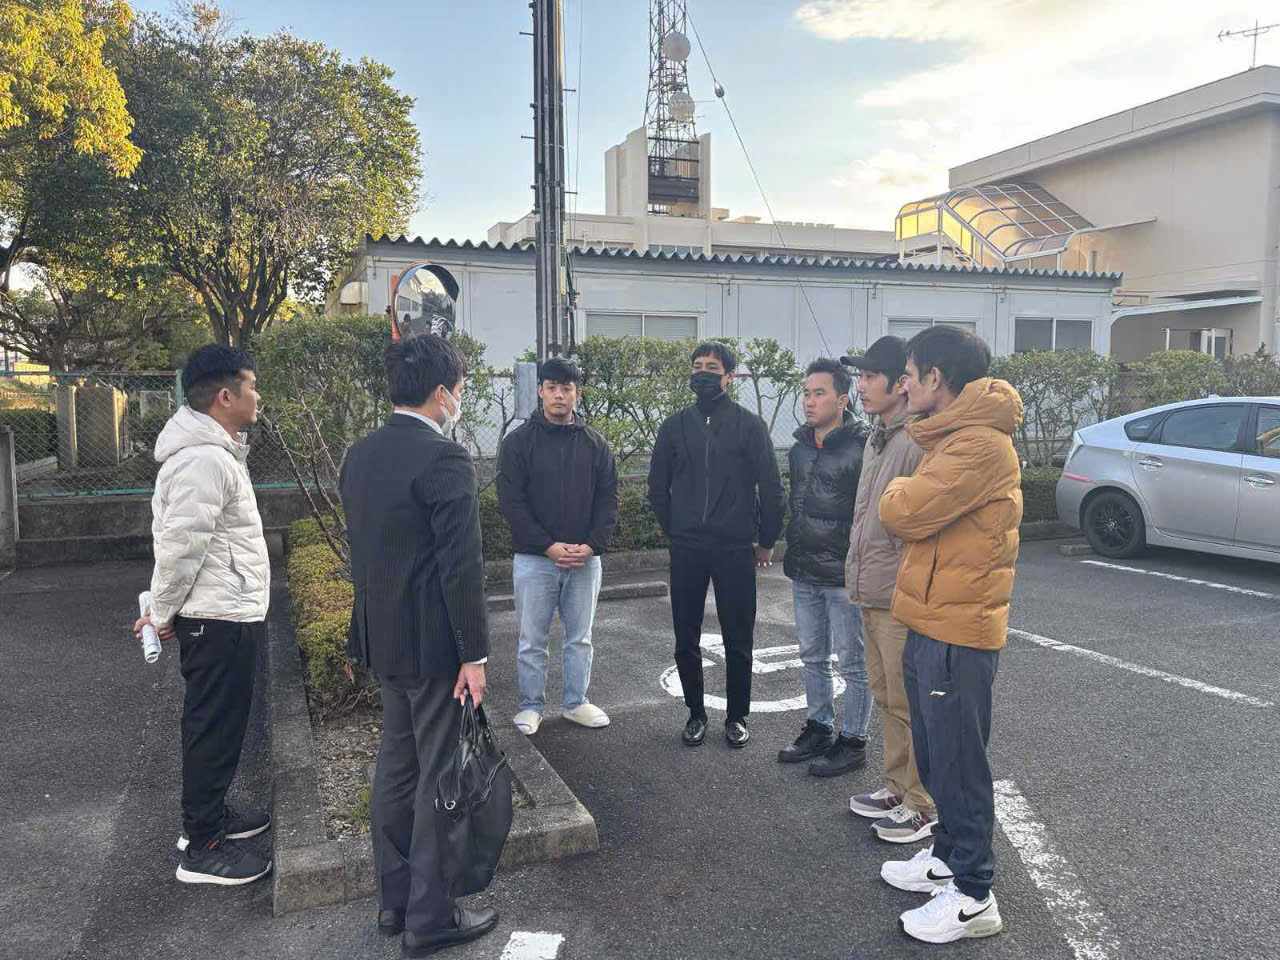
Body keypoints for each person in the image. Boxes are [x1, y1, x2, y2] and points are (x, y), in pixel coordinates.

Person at [339, 335, 499, 957]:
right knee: (438, 777)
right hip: (436, 649)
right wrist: (475, 656)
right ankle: (430, 918)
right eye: (458, 388)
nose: (459, 398)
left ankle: (395, 901)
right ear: (441, 393)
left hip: (385, 641)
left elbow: (365, 555)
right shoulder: (445, 460)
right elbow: (462, 567)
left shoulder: (361, 454)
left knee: (396, 771)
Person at [876, 326, 1023, 945]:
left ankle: (972, 895)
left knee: (959, 762)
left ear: (937, 378)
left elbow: (902, 512)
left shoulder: (979, 446)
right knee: (936, 753)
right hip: (934, 620)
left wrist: (897, 490)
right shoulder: (949, 437)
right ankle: (947, 859)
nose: (903, 383)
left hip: (959, 631)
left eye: (909, 372)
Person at [132, 344, 273, 886]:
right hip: (216, 618)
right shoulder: (204, 460)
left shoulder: (215, 452)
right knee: (212, 727)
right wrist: (161, 611)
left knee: (222, 722)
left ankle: (213, 817)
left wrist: (167, 609)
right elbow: (180, 547)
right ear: (225, 396)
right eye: (251, 387)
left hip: (225, 612)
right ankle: (201, 846)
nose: (257, 397)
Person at [647, 340, 785, 749]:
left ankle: (738, 716)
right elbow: (658, 487)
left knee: (738, 635)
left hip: (735, 547)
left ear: (729, 376)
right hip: (687, 548)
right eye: (697, 366)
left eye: (712, 366)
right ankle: (695, 713)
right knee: (684, 635)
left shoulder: (749, 426)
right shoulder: (674, 426)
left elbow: (771, 487)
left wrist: (766, 541)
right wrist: (677, 529)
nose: (703, 372)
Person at [842, 336, 937, 845]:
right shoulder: (878, 436)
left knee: (907, 701)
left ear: (901, 383)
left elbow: (917, 524)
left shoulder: (916, 440)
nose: (860, 387)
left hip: (899, 595)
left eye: (868, 377)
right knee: (885, 696)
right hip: (870, 588)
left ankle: (923, 803)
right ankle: (898, 787)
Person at [497, 357, 619, 736]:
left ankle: (575, 702)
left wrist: (592, 545)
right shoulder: (518, 443)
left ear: (576, 393)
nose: (559, 395)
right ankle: (531, 706)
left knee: (579, 638)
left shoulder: (596, 445)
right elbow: (511, 503)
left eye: (567, 389)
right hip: (535, 559)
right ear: (540, 391)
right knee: (532, 639)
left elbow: (608, 501)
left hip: (585, 560)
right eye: (552, 388)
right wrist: (547, 545)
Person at [776, 358, 872, 777]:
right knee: (812, 656)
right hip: (804, 571)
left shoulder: (864, 446)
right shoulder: (799, 448)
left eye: (819, 393)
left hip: (843, 576)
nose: (809, 401)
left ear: (842, 399)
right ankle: (819, 726)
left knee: (853, 662)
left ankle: (853, 740)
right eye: (806, 393)